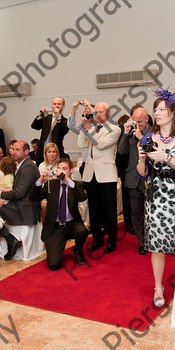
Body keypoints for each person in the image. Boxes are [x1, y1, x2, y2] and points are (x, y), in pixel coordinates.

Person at [137, 90, 175, 307]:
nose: (157, 113)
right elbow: (142, 173)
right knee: (157, 246)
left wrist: (166, 157)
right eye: (155, 109)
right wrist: (142, 159)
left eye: (161, 109)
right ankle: (158, 289)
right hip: (155, 197)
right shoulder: (147, 137)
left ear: (173, 112)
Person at [78, 102, 121, 254]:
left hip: (106, 174)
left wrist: (89, 129)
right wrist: (84, 126)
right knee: (94, 209)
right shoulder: (91, 127)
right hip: (90, 173)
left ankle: (112, 241)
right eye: (96, 112)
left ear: (108, 113)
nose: (98, 115)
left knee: (109, 210)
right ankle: (97, 239)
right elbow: (81, 143)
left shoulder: (115, 129)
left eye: (101, 112)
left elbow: (101, 144)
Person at [29, 158, 88, 270]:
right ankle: (55, 246)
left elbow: (82, 197)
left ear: (71, 170)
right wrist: (41, 180)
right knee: (53, 264)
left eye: (64, 169)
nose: (61, 171)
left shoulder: (75, 185)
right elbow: (33, 197)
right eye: (59, 169)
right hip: (55, 227)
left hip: (71, 224)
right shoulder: (51, 184)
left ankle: (78, 250)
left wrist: (67, 181)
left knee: (82, 230)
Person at [0, 141, 40, 260]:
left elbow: (19, 193)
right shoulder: (22, 164)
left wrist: (0, 193)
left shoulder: (28, 167)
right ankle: (10, 240)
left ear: (26, 151)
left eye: (17, 150)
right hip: (20, 204)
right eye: (13, 149)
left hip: (25, 208)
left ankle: (11, 240)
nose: (14, 152)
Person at [118, 104, 151, 255]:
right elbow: (121, 151)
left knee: (151, 213)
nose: (138, 125)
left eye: (140, 122)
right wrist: (126, 133)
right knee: (136, 213)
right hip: (133, 178)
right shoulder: (130, 133)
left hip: (150, 179)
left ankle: (154, 240)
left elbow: (155, 152)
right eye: (135, 121)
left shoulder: (154, 133)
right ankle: (142, 242)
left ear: (147, 119)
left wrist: (142, 138)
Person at [31, 96, 69, 165]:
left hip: (56, 152)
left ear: (63, 106)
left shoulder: (65, 121)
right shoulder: (46, 117)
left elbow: (63, 131)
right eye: (54, 104)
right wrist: (40, 116)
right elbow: (35, 126)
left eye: (59, 104)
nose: (56, 106)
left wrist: (58, 117)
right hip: (42, 151)